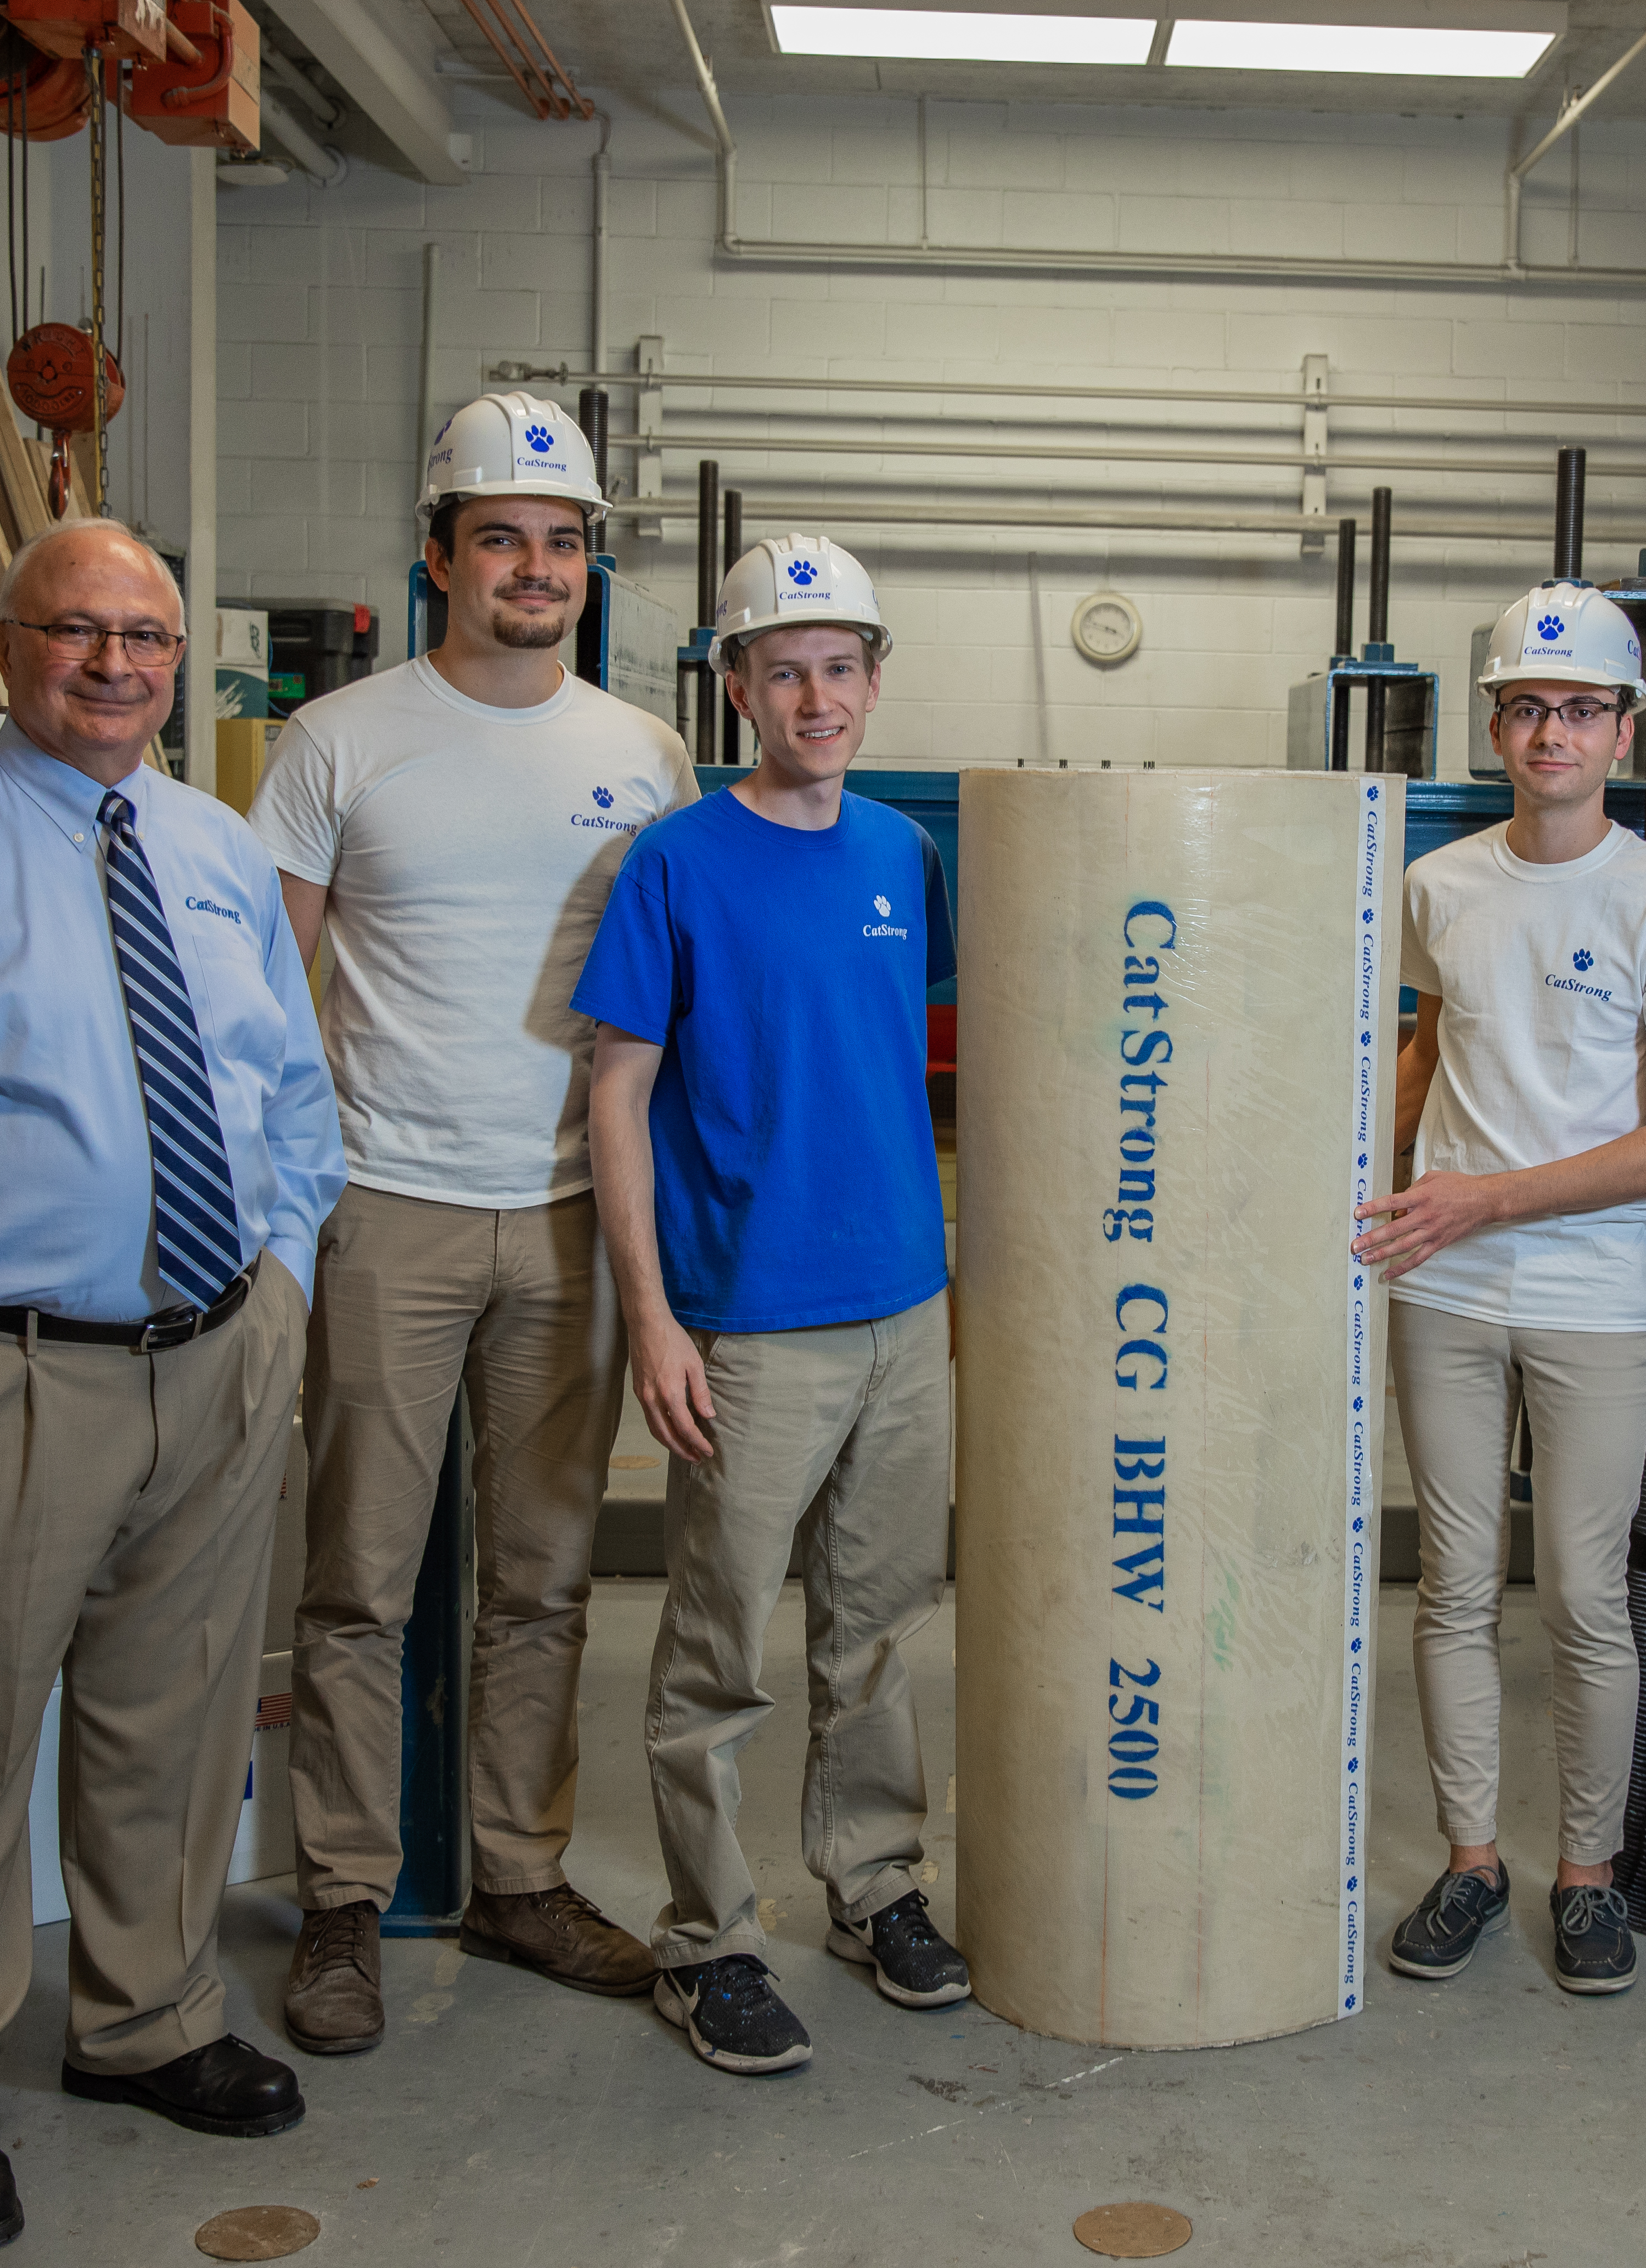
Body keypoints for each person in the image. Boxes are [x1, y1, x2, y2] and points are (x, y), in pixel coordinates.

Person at [0, 521, 345, 2258]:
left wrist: (281, 1303)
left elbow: (291, 1100)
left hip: (214, 1356)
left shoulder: (213, 850)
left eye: (147, 640)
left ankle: (147, 2017)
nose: (115, 667)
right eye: (78, 634)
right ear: (10, 646)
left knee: (174, 1724)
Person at [247, 393, 694, 2053]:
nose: (534, 566)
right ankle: (346, 1900)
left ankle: (517, 1872)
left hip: (576, 1219)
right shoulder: (338, 742)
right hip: (390, 1208)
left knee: (546, 1574)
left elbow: (668, 1006)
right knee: (359, 1579)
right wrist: (277, 1221)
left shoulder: (644, 755)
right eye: (499, 535)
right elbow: (261, 999)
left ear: (589, 565)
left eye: (562, 539)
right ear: (439, 555)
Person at [571, 533, 965, 2076]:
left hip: (905, 1312)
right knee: (718, 1647)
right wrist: (655, 1321)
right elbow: (618, 1096)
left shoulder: (899, 858)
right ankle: (709, 1939)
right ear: (735, 683)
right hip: (748, 1320)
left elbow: (903, 1065)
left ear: (874, 682)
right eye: (784, 666)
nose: (817, 693)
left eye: (842, 666)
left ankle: (872, 1887)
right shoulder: (673, 861)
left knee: (876, 1630)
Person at [1358, 582, 1646, 1998]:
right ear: (1499, 726)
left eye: (1581, 708)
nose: (1552, 733)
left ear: (1624, 730)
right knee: (1455, 1589)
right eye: (1528, 707)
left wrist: (1489, 1197)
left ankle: (1588, 1875)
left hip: (1593, 1292)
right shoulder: (1442, 886)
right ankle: (1472, 1863)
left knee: (1585, 1596)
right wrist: (1367, 1177)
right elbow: (1424, 1057)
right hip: (1443, 1290)